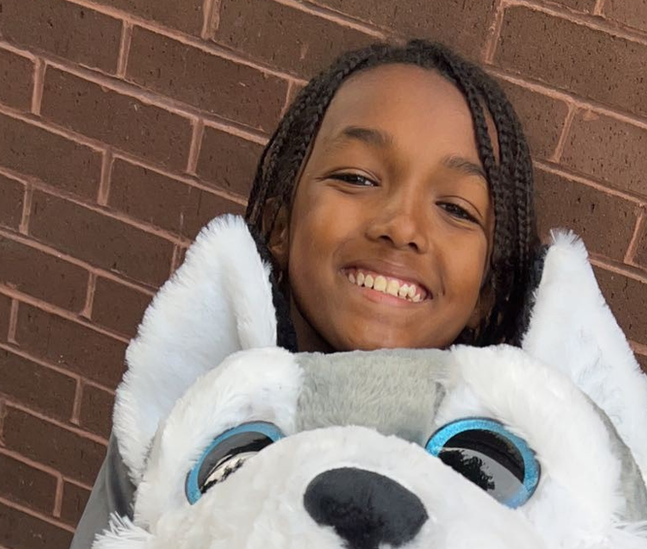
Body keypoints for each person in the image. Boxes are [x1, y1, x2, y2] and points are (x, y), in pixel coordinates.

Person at [69, 39, 539, 548]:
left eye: (456, 208)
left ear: (488, 292)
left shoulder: (517, 474)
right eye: (357, 177)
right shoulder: (189, 421)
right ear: (279, 224)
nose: (403, 226)